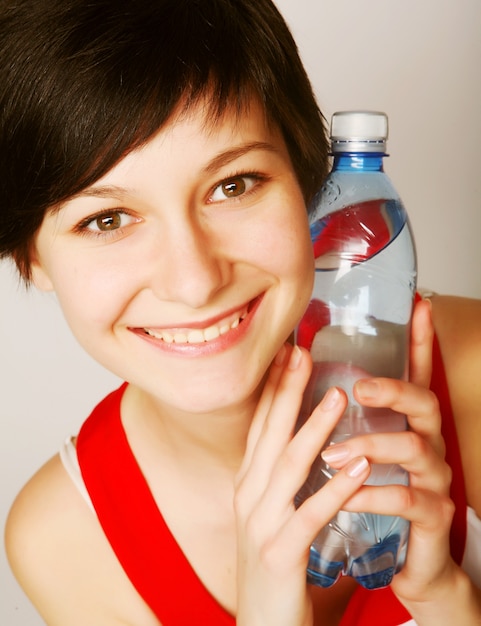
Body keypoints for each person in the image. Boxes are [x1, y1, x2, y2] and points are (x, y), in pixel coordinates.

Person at [1, 0, 480, 624]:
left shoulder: (471, 368)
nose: (195, 281)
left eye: (234, 184)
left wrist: (448, 599)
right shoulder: (65, 540)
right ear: (28, 255)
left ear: (309, 177)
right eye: (107, 219)